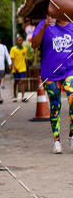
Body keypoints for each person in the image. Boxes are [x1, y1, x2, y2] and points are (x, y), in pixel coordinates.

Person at [30, 9, 73, 154]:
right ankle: (57, 141)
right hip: (50, 73)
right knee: (55, 106)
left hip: (69, 71)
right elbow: (34, 45)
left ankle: (72, 135)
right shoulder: (45, 24)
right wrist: (44, 27)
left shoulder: (72, 26)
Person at [9, 35, 28, 102]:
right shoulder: (13, 49)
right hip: (15, 69)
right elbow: (11, 59)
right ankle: (15, 96)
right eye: (19, 40)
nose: (20, 41)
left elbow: (25, 59)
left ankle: (23, 97)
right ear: (17, 41)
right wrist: (14, 67)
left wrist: (26, 67)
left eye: (21, 40)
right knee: (16, 82)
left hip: (23, 68)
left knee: (23, 81)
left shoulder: (25, 49)